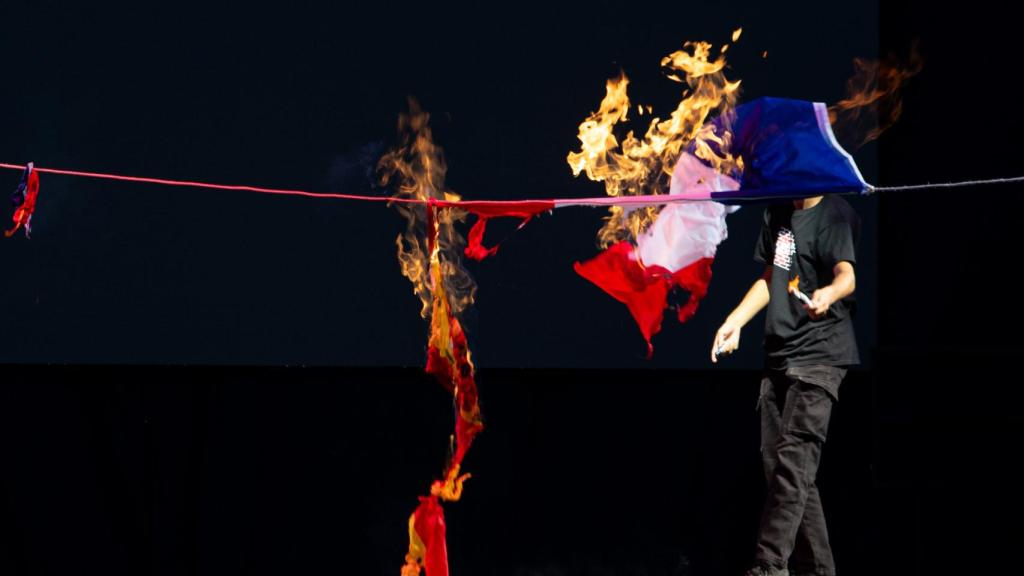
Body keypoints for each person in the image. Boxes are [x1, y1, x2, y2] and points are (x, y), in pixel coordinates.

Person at [711, 193, 860, 576]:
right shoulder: (778, 211)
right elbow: (770, 278)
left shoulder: (834, 213)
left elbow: (847, 274)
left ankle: (769, 565)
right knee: (785, 470)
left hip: (820, 357)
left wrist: (829, 292)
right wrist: (735, 320)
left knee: (793, 470)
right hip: (780, 355)